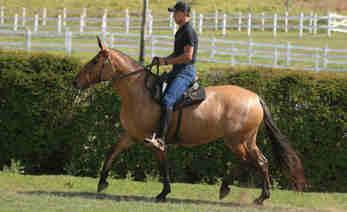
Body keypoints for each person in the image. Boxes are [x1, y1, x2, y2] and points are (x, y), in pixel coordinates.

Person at [145, 1, 199, 151]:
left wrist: (167, 61)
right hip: (176, 70)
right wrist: (162, 61)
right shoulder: (180, 31)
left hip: (185, 72)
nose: (173, 16)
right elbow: (177, 54)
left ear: (183, 13)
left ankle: (161, 140)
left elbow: (188, 57)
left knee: (168, 100)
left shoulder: (188, 31)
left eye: (175, 13)